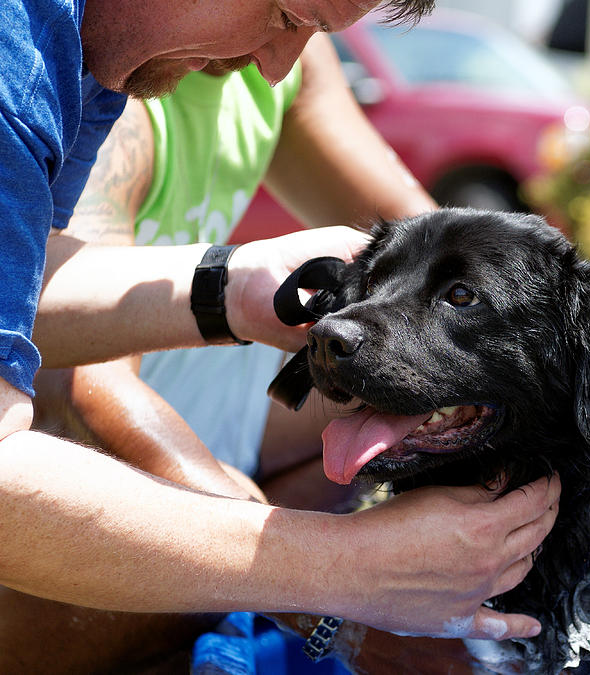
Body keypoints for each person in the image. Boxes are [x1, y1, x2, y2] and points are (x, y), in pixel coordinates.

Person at [0, 0, 561, 671]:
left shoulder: (100, 59)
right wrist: (340, 580)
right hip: (62, 421)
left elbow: (23, 285)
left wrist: (229, 285)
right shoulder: (30, 70)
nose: (276, 68)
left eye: (314, 32)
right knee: (185, 585)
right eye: (288, 15)